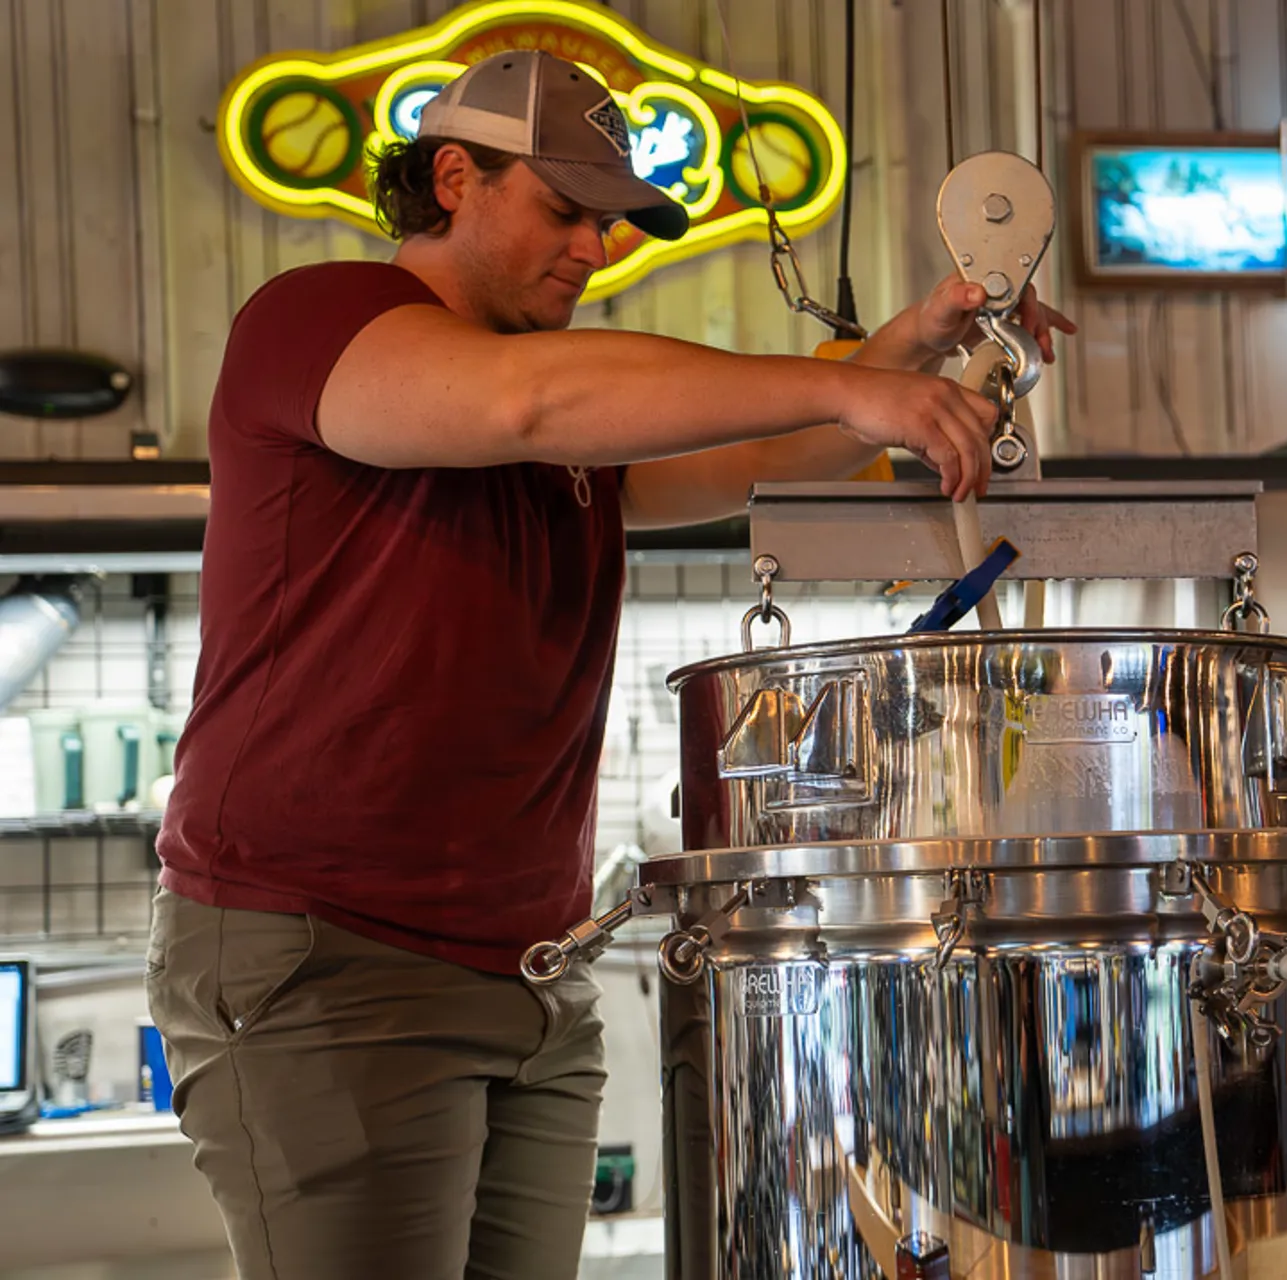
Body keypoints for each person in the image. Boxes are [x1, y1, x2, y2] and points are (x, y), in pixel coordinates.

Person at [145, 49, 1072, 1280]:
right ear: (457, 177)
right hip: (331, 959)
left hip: (533, 970)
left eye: (612, 222)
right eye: (566, 212)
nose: (596, 248)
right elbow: (531, 403)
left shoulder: (559, 409)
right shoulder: (321, 323)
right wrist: (857, 393)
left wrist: (913, 342)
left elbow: (739, 449)